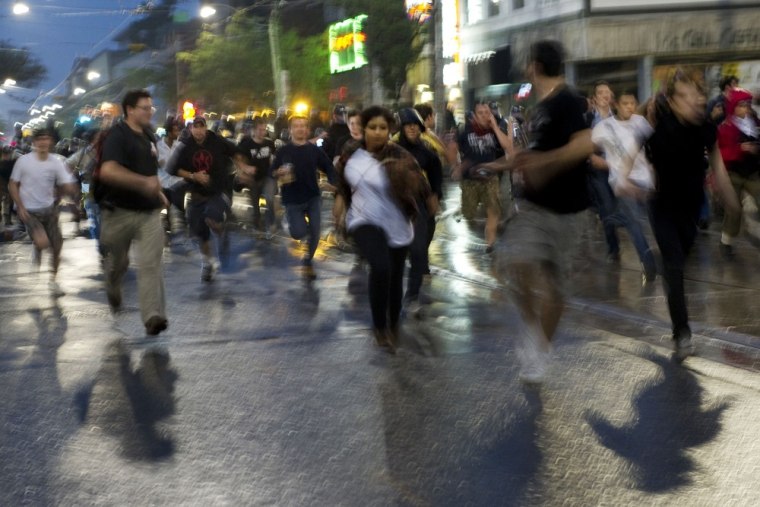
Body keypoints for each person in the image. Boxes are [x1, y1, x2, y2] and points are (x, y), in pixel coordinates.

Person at [493, 40, 594, 383]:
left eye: (527, 65)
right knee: (516, 263)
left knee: (555, 288)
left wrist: (544, 163)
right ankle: (533, 331)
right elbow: (534, 152)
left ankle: (541, 348)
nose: (525, 71)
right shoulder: (542, 106)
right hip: (535, 208)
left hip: (569, 211)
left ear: (533, 67)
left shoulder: (567, 100)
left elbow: (584, 144)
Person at [645, 70, 739, 359]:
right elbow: (639, 157)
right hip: (662, 208)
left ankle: (666, 266)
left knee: (678, 263)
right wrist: (627, 178)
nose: (693, 101)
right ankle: (682, 333)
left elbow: (718, 169)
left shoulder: (707, 129)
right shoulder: (658, 129)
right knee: (675, 268)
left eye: (696, 95)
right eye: (683, 96)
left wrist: (733, 204)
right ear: (672, 102)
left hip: (691, 209)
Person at [334, 106, 427, 353]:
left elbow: (422, 183)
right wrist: (340, 203)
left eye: (383, 128)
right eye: (372, 127)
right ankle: (379, 327)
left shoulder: (402, 156)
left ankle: (393, 323)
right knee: (380, 266)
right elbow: (342, 181)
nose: (377, 133)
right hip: (363, 220)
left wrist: (421, 191)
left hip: (397, 222)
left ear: (389, 130)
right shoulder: (350, 154)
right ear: (363, 129)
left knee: (395, 276)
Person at [98, 89, 169, 336]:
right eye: (145, 108)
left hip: (149, 212)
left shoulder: (149, 135)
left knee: (151, 263)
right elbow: (108, 171)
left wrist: (158, 193)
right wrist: (143, 183)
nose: (150, 112)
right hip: (119, 212)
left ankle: (153, 316)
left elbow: (151, 174)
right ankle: (112, 286)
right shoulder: (117, 137)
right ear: (130, 110)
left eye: (151, 107)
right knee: (118, 263)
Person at [167, 116, 253, 281]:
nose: (198, 131)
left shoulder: (217, 141)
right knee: (200, 233)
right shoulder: (185, 145)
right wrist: (193, 176)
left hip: (220, 189)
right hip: (197, 193)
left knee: (212, 218)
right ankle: (207, 262)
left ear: (206, 128)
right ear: (191, 129)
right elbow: (172, 168)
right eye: (195, 127)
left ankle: (222, 234)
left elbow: (236, 153)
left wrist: (243, 168)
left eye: (202, 127)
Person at [591, 90, 658, 283]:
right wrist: (600, 162)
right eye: (625, 103)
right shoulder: (604, 127)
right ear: (617, 106)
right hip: (622, 183)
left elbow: (653, 147)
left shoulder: (641, 123)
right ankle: (648, 262)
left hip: (645, 180)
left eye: (632, 103)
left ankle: (613, 218)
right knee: (635, 221)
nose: (629, 107)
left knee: (649, 220)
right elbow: (588, 149)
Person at [8, 127, 78, 296]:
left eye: (46, 139)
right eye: (39, 140)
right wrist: (21, 207)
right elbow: (12, 185)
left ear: (50, 142)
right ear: (34, 143)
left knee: (57, 246)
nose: (43, 143)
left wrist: (70, 189)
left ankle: (53, 281)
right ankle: (37, 246)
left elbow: (66, 182)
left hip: (49, 209)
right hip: (29, 211)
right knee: (42, 241)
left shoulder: (56, 162)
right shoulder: (24, 161)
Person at [270, 114, 337, 279]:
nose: (300, 128)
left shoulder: (314, 150)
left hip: (313, 197)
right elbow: (271, 171)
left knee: (315, 231)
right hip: (292, 199)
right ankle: (294, 226)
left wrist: (333, 181)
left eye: (303, 126)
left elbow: (328, 167)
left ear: (307, 130)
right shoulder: (284, 151)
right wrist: (277, 172)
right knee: (298, 233)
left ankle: (308, 261)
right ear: (291, 129)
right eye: (297, 125)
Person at [395, 107, 442, 315]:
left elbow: (436, 175)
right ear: (402, 128)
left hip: (419, 207)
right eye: (408, 126)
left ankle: (412, 295)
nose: (412, 129)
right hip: (394, 209)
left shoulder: (426, 152)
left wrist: (435, 195)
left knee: (418, 252)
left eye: (415, 125)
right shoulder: (391, 150)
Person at [452, 101, 511, 252]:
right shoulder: (465, 130)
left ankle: (490, 244)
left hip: (490, 178)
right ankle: (462, 210)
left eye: (487, 112)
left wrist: (495, 127)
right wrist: (457, 166)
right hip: (470, 179)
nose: (485, 116)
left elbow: (508, 146)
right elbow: (453, 148)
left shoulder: (495, 129)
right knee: (469, 213)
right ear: (475, 116)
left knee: (493, 211)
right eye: (481, 113)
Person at [717, 88, 760, 257]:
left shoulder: (754, 122)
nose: (745, 109)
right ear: (733, 107)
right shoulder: (725, 127)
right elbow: (719, 152)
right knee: (734, 210)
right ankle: (726, 241)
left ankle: (751, 229)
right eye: (741, 105)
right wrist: (739, 149)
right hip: (733, 174)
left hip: (752, 172)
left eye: (747, 105)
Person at [236, 116, 278, 237]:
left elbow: (274, 159)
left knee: (269, 197)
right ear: (253, 130)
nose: (262, 132)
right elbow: (237, 159)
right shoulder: (246, 144)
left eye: (264, 129)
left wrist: (276, 169)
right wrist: (245, 168)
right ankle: (257, 224)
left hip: (267, 176)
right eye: (259, 129)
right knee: (255, 204)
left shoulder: (269, 143)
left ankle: (271, 223)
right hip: (253, 179)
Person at [157, 116, 187, 244]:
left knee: (179, 209)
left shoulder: (180, 146)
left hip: (177, 183)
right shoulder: (158, 146)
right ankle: (166, 231)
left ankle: (182, 234)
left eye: (178, 130)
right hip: (162, 183)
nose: (178, 133)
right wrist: (159, 163)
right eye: (175, 131)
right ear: (169, 132)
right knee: (165, 208)